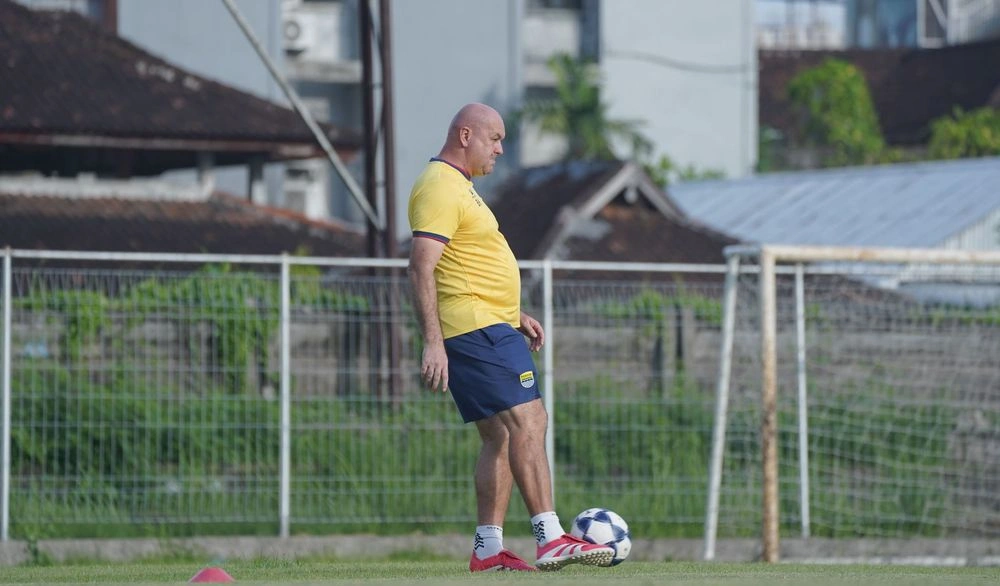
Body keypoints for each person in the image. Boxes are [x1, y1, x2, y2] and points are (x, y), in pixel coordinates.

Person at [406, 103, 615, 572]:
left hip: (486, 322)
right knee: (530, 420)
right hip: (477, 328)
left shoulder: (460, 186)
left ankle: (488, 548)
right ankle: (550, 537)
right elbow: (421, 266)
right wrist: (433, 340)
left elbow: (465, 262)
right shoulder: (440, 185)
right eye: (495, 138)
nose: (500, 149)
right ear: (465, 135)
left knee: (499, 434)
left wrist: (511, 312)